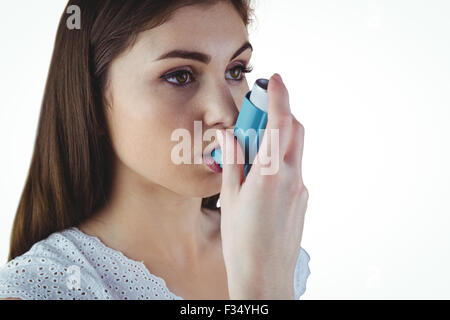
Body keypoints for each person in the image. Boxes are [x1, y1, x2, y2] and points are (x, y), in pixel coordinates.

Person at [0, 0, 310, 300]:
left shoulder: (273, 244)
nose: (227, 113)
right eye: (180, 76)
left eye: (236, 71)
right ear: (91, 103)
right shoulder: (45, 287)